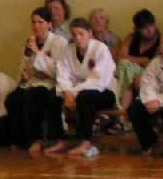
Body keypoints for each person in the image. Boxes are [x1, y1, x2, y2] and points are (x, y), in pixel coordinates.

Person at [47, 17, 116, 156]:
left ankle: (85, 141)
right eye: (74, 35)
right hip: (75, 92)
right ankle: (60, 139)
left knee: (84, 97)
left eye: (81, 34)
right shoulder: (68, 50)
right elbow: (63, 74)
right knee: (52, 95)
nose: (77, 38)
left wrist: (72, 93)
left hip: (104, 92)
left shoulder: (100, 49)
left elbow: (98, 79)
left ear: (89, 33)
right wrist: (67, 93)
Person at [4, 6, 68, 153]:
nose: (36, 26)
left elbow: (60, 70)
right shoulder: (29, 43)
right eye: (33, 22)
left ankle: (37, 139)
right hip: (32, 82)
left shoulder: (59, 42)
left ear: (49, 24)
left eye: (40, 22)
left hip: (51, 83)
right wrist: (23, 76)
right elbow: (24, 66)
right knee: (13, 99)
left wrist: (38, 53)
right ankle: (20, 139)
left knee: (32, 96)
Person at [114, 9, 160, 113]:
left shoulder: (160, 41)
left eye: (151, 26)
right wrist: (142, 60)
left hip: (146, 73)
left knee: (127, 68)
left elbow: (152, 63)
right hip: (127, 72)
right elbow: (120, 58)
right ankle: (124, 110)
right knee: (124, 66)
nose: (149, 30)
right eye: (144, 28)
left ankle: (122, 110)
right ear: (138, 30)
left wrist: (130, 58)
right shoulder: (132, 37)